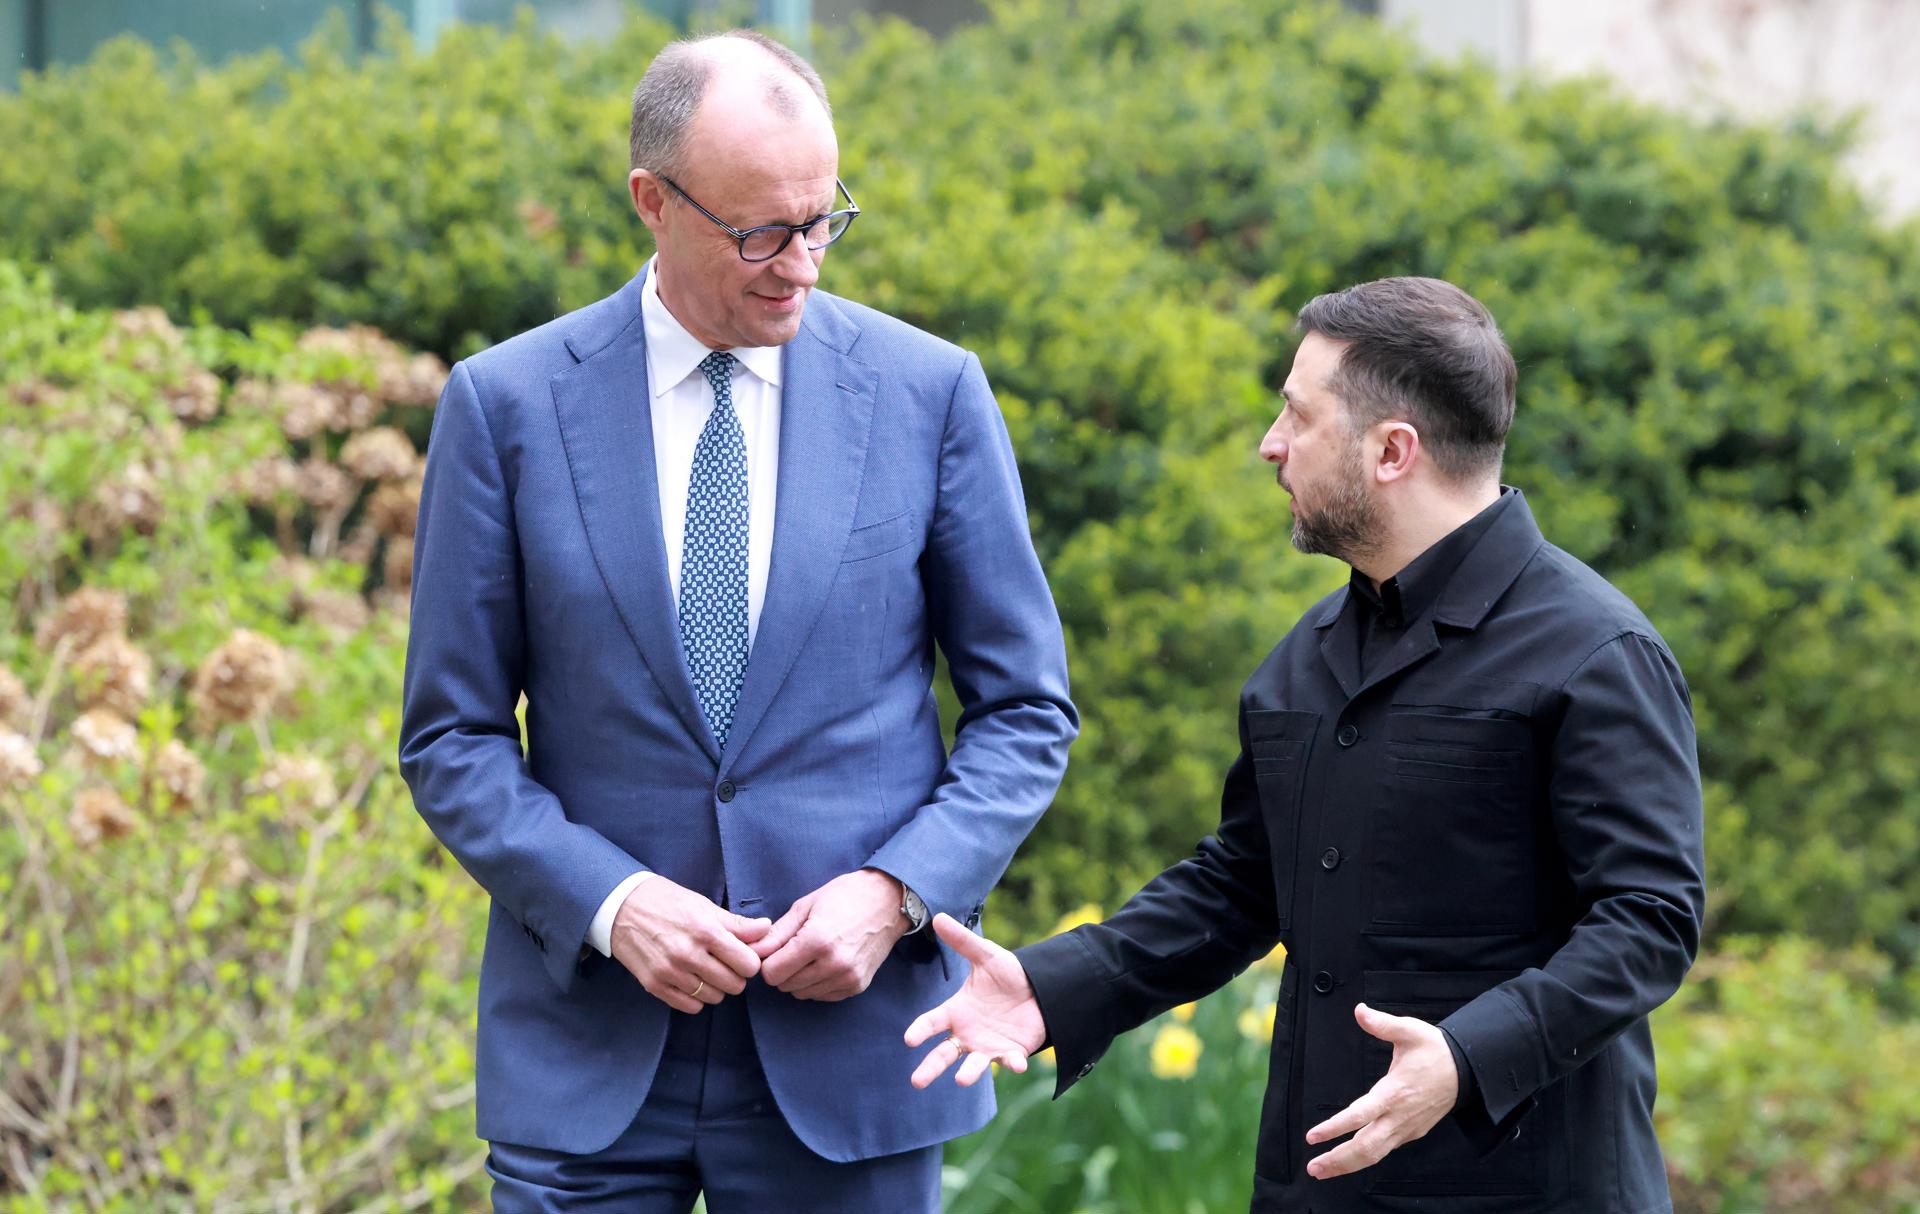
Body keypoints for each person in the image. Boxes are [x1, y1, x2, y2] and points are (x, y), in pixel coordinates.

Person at [398, 29, 1076, 1213]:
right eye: (760, 231)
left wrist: (896, 891)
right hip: (587, 1057)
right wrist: (612, 902)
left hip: (854, 1057)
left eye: (822, 220)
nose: (800, 264)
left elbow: (1025, 712)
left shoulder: (930, 393)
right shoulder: (502, 407)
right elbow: (451, 738)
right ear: (651, 202)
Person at [907, 277, 1705, 1214]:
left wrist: (1465, 1055)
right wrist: (1057, 986)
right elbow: (1244, 884)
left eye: (1297, 415)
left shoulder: (1594, 652)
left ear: (1392, 451)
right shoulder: (1306, 658)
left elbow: (1650, 918)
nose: (1271, 444)